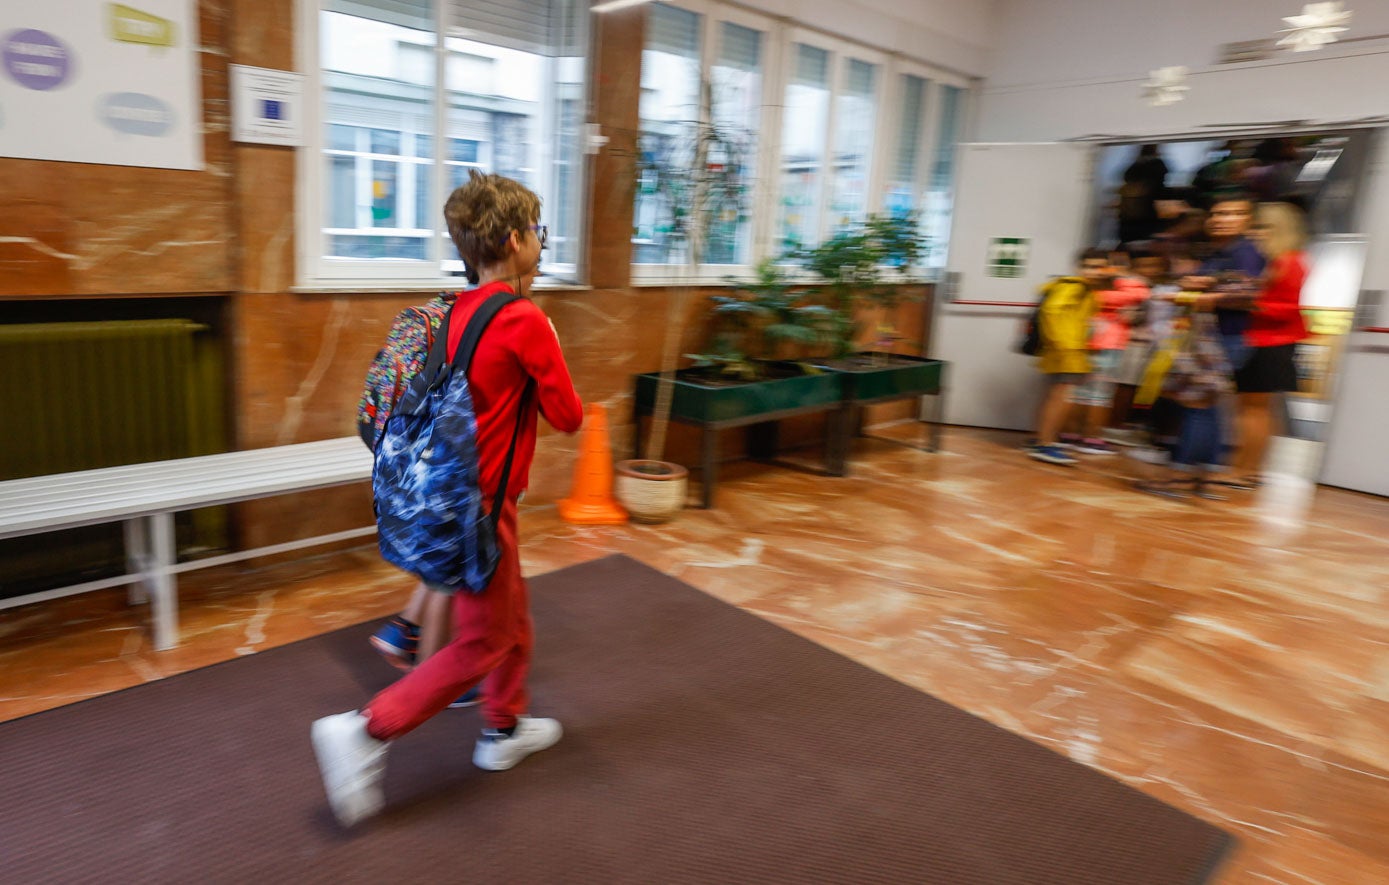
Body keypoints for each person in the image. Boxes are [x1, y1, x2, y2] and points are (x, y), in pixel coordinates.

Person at [311, 171, 584, 828]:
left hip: (447, 496)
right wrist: (549, 349)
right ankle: (366, 730)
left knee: (512, 618)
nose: (541, 244)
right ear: (514, 240)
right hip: (483, 508)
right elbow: (568, 416)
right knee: (485, 639)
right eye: (538, 232)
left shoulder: (449, 311)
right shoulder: (524, 320)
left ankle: (502, 728)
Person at [1225, 202, 1311, 488]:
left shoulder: (1288, 261)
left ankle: (1245, 470)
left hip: (1271, 342)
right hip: (1266, 341)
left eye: (1262, 227)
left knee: (1254, 410)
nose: (1256, 232)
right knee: (1252, 410)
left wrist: (1250, 304)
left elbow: (1287, 308)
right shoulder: (1282, 260)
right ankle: (1246, 469)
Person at [1134, 309, 1234, 500]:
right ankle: (1200, 480)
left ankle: (1176, 479)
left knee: (1198, 408)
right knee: (1209, 410)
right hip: (1220, 334)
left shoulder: (1198, 320)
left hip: (1201, 333)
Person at [1027, 248, 1107, 466]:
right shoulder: (1075, 286)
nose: (1094, 271)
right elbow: (1051, 312)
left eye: (1099, 267)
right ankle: (1045, 444)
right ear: (1079, 267)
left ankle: (1041, 439)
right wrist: (1063, 344)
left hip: (1067, 350)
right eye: (1089, 267)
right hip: (1067, 351)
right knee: (1059, 398)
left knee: (1054, 396)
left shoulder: (1084, 289)